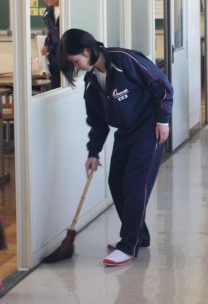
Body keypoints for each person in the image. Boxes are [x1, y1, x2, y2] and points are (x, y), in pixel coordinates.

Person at [57, 28, 173, 267]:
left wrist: (163, 119)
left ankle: (128, 245)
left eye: (75, 60)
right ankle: (138, 236)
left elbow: (161, 85)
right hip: (126, 133)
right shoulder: (91, 84)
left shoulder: (124, 60)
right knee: (116, 183)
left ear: (88, 50)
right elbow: (98, 124)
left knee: (134, 185)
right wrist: (93, 152)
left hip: (149, 129)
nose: (76, 67)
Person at [34, 0, 61, 89]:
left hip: (72, 66)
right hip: (55, 67)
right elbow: (51, 33)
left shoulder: (70, 9)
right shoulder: (48, 13)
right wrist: (47, 45)